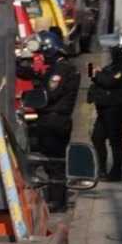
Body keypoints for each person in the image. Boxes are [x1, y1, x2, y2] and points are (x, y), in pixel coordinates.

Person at [30, 31, 81, 211]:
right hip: (55, 120)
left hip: (54, 121)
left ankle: (56, 201)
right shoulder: (64, 69)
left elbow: (51, 93)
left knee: (54, 163)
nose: (42, 57)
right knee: (52, 161)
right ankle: (56, 197)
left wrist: (36, 90)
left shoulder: (60, 70)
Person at [88, 33, 122, 183]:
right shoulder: (115, 66)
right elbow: (105, 75)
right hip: (104, 109)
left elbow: (110, 81)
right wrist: (96, 72)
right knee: (97, 138)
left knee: (115, 141)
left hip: (116, 110)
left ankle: (116, 171)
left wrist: (97, 75)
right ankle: (101, 168)